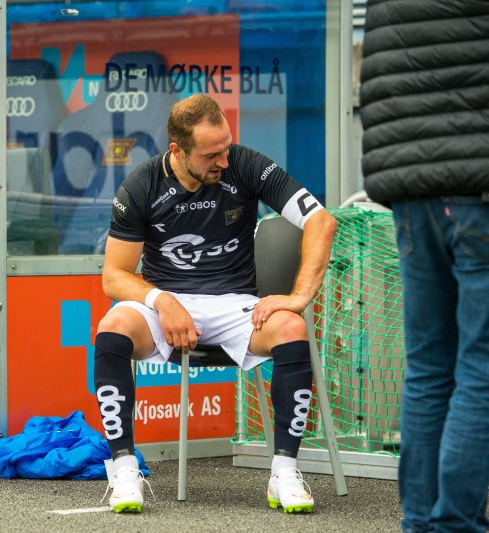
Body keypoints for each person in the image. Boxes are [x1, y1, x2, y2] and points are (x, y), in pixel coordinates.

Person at [93, 93, 336, 513]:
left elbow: (321, 220)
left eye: (226, 147)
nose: (223, 160)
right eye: (211, 155)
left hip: (234, 303)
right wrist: (161, 300)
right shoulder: (141, 185)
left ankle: (284, 471)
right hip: (165, 302)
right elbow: (113, 276)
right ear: (178, 150)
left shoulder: (244, 163)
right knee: (111, 329)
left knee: (293, 327)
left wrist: (298, 296)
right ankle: (125, 469)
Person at [359, 2, 489, 531]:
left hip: (410, 186)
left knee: (429, 365)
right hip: (476, 181)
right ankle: (455, 523)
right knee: (480, 366)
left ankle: (420, 521)